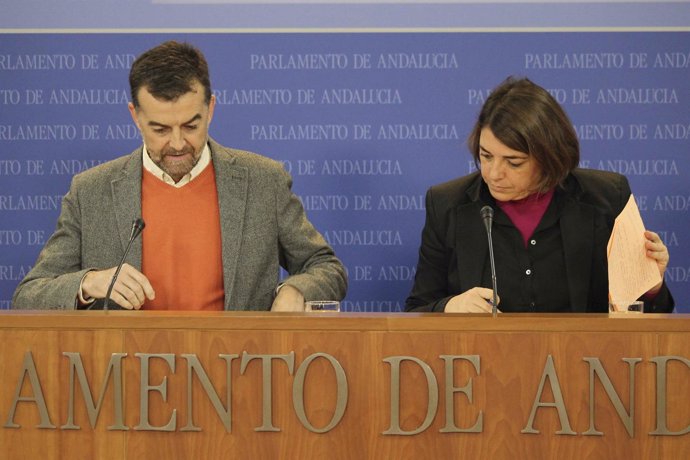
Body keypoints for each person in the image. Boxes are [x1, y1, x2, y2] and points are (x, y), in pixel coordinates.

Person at [12, 40, 347, 311]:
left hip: (239, 375)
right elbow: (28, 296)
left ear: (211, 109)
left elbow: (327, 267)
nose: (176, 144)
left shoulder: (263, 181)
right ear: (135, 117)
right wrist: (88, 283)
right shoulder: (91, 191)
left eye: (191, 125)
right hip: (126, 379)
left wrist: (295, 290)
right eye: (159, 129)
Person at [405, 77, 673, 314]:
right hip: (481, 364)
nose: (494, 173)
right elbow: (417, 309)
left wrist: (650, 285)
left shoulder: (606, 199)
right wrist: (449, 307)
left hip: (586, 363)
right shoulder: (447, 204)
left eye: (514, 162)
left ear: (549, 158)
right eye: (486, 156)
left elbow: (643, 319)